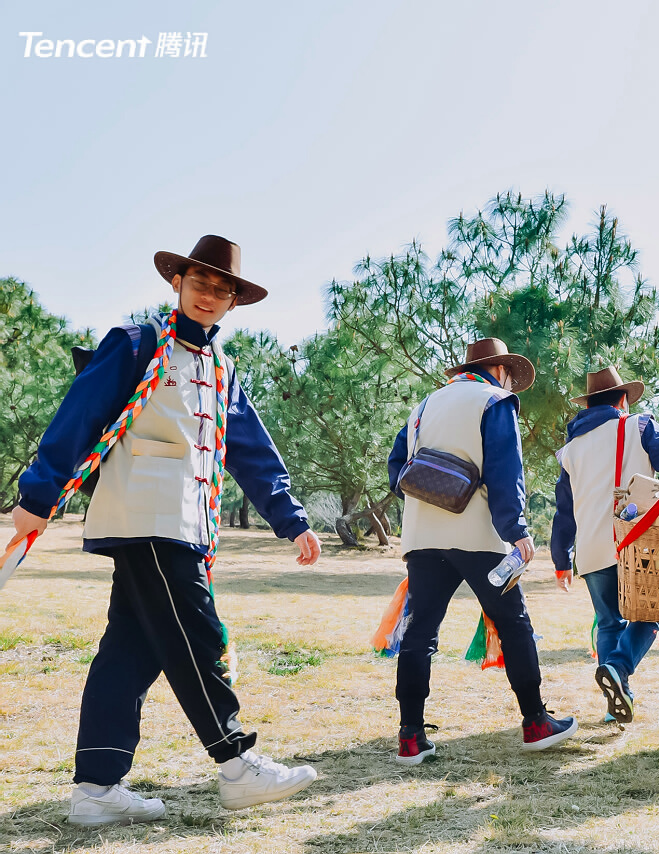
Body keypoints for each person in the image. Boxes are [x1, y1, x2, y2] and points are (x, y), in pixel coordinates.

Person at [10, 236, 322, 826]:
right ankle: (236, 764)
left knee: (131, 653)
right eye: (200, 283)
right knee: (196, 636)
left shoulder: (223, 370)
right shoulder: (137, 344)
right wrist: (39, 493)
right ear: (176, 284)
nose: (210, 295)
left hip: (187, 524)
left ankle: (96, 790)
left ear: (233, 303)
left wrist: (291, 519)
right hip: (144, 519)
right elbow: (80, 413)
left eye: (222, 289)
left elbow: (251, 451)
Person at [387, 338, 577, 762]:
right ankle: (535, 721)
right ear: (501, 370)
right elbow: (505, 469)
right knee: (513, 624)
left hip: (421, 534)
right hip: (478, 534)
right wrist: (517, 529)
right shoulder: (496, 401)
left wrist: (427, 501)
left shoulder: (424, 405)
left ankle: (410, 737)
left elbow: (394, 467)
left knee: (420, 634)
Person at [550, 367, 659, 723]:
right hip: (638, 540)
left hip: (591, 547)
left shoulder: (570, 450)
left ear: (589, 404)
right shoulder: (639, 425)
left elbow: (563, 510)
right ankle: (619, 670)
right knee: (652, 612)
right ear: (622, 400)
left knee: (608, 623)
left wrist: (562, 557)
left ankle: (615, 705)